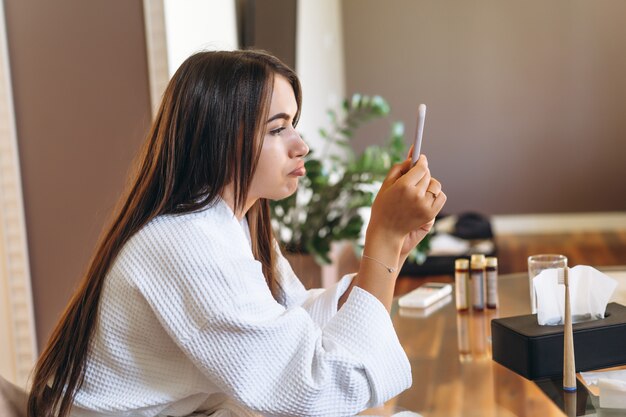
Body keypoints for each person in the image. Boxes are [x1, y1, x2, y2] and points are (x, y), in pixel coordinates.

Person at [27, 50, 446, 417]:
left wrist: (394, 250)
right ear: (222, 137)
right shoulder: (185, 245)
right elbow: (320, 390)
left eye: (294, 124)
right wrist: (382, 240)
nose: (301, 145)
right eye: (277, 128)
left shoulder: (235, 225)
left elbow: (294, 324)